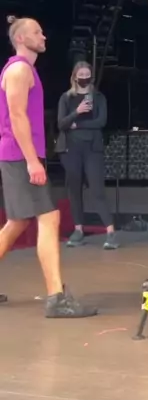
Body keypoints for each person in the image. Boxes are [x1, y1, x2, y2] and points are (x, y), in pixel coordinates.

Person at [0, 16, 97, 318]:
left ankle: (57, 297)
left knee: (17, 222)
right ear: (20, 39)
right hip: (20, 156)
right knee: (49, 217)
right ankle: (56, 298)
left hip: (19, 155)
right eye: (36, 32)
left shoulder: (25, 70)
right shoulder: (18, 70)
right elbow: (17, 117)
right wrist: (32, 161)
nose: (43, 36)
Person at [57, 61, 118, 250]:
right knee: (74, 190)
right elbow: (62, 124)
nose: (84, 77)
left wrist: (78, 125)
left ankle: (111, 232)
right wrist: (77, 112)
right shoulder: (66, 98)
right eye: (81, 74)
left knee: (97, 190)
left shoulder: (98, 97)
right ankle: (78, 230)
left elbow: (101, 121)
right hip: (71, 150)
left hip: (92, 149)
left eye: (87, 74)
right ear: (74, 77)